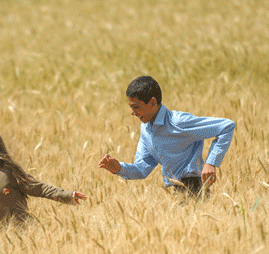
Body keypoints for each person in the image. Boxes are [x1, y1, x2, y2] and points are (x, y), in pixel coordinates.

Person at [99, 76, 235, 197]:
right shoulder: (146, 129)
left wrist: (211, 163)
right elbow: (141, 169)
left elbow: (226, 126)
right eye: (131, 107)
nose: (132, 112)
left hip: (195, 188)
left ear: (152, 103)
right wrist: (119, 169)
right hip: (176, 191)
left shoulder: (178, 122)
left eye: (136, 107)